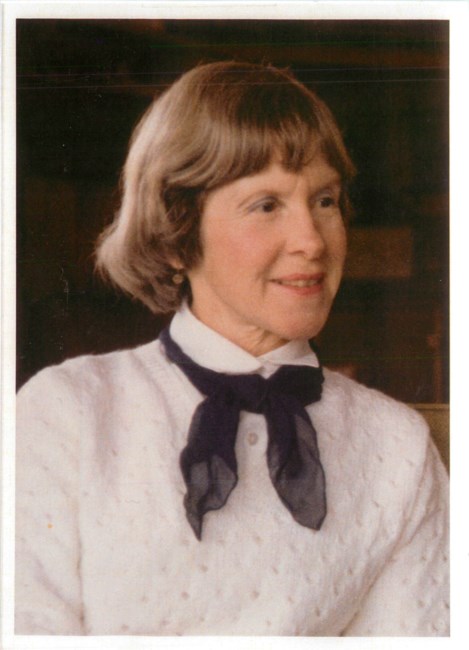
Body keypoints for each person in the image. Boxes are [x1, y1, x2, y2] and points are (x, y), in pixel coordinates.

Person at [15, 60, 449, 637]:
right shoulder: (64, 413)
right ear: (177, 234)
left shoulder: (398, 448)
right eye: (266, 205)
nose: (311, 241)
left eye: (325, 200)